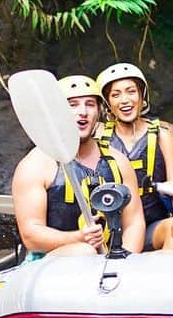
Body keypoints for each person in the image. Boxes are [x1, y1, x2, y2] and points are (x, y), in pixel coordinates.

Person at [11, 75, 145, 257]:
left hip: (110, 263)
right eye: (72, 105)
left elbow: (134, 222)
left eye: (90, 104)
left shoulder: (118, 161)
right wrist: (79, 237)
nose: (83, 112)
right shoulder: (35, 165)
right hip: (48, 262)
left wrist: (125, 258)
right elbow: (31, 236)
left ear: (99, 111)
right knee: (84, 251)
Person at [96, 62, 173, 251]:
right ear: (107, 103)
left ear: (142, 96)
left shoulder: (163, 135)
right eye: (116, 95)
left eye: (131, 91)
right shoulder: (98, 138)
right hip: (109, 228)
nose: (124, 100)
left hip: (153, 225)